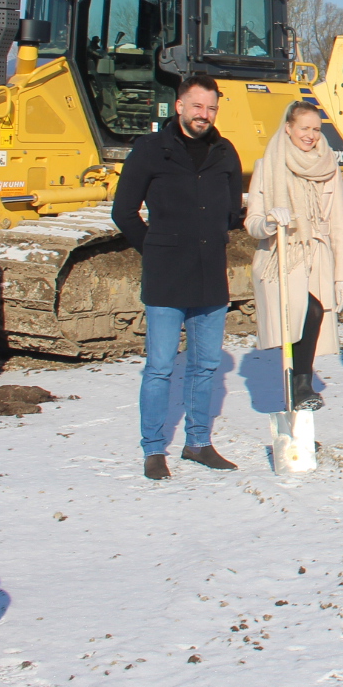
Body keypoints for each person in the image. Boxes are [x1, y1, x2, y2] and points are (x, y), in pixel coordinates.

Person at [113, 73, 244, 479]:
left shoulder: (224, 151)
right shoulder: (151, 150)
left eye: (211, 108)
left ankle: (198, 442)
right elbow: (123, 211)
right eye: (197, 106)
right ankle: (154, 448)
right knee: (160, 366)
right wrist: (154, 249)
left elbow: (232, 210)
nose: (204, 115)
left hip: (210, 276)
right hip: (167, 276)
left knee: (205, 365)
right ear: (180, 107)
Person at [245, 100, 343, 413]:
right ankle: (301, 385)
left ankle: (299, 392)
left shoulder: (328, 167)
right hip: (282, 256)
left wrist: (342, 274)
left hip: (317, 255)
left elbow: (337, 224)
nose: (311, 135)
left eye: (316, 129)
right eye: (304, 128)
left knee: (313, 316)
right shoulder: (268, 165)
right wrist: (269, 222)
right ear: (289, 128)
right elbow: (252, 222)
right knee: (308, 313)